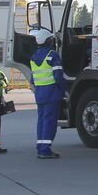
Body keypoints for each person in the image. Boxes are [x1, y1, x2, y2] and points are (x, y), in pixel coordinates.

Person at [28, 28, 67, 159]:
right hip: (52, 93)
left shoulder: (33, 57)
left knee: (42, 120)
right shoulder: (52, 55)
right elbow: (58, 76)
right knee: (50, 121)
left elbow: (32, 78)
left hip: (39, 93)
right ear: (49, 41)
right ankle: (45, 149)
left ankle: (40, 146)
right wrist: (64, 90)